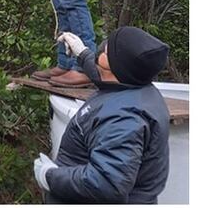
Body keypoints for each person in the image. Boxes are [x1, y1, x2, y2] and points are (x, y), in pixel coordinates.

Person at [33, 27, 171, 204]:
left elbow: (108, 183)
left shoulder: (124, 118)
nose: (103, 46)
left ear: (116, 66)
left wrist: (50, 176)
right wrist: (81, 53)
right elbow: (106, 74)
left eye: (108, 49)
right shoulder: (134, 86)